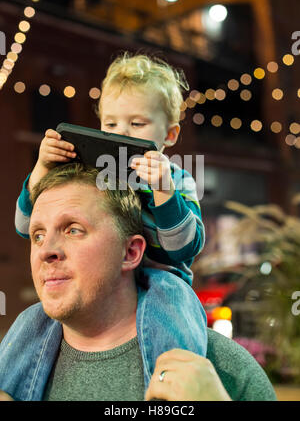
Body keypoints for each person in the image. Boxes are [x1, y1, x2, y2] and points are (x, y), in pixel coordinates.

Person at [0, 164, 277, 401]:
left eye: (73, 230)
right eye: (37, 235)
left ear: (131, 252)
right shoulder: (10, 365)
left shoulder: (225, 370)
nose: (46, 250)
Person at [14, 53, 207, 359]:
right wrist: (41, 168)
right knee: (31, 323)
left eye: (137, 123)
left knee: (174, 308)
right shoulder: (93, 174)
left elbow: (184, 248)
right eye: (111, 123)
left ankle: (169, 388)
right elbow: (25, 226)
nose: (122, 133)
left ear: (169, 134)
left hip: (160, 280)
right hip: (104, 280)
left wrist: (163, 192)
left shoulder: (176, 179)